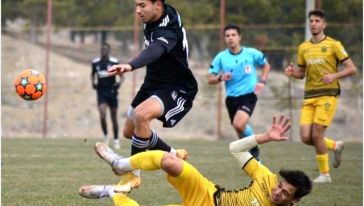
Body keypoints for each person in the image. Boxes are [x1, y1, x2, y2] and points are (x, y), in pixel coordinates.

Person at [79, 115, 313, 206]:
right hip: (208, 193)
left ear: (294, 201)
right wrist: (265, 137)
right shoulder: (267, 177)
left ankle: (113, 192)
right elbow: (236, 149)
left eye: (285, 193)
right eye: (280, 185)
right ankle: (121, 165)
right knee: (170, 162)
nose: (277, 191)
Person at [106, 0, 198, 189]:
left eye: (142, 5)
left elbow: (156, 49)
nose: (138, 10)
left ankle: (133, 175)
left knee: (142, 115)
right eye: (136, 5)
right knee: (129, 132)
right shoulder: (153, 17)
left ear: (158, 5)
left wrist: (130, 65)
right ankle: (173, 153)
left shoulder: (169, 26)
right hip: (153, 82)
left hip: (175, 85)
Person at [284, 9, 357, 183]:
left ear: (324, 24)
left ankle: (325, 174)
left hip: (328, 94)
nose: (313, 24)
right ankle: (335, 145)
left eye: (317, 21)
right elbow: (301, 73)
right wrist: (291, 72)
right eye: (311, 21)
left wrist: (334, 76)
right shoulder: (304, 47)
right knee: (305, 137)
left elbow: (352, 68)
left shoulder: (334, 45)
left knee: (317, 133)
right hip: (310, 96)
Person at [208, 23, 271, 161]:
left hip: (248, 95)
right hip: (231, 98)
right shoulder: (221, 57)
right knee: (239, 130)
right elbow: (210, 79)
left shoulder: (251, 53)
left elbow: (266, 65)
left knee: (238, 124)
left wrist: (262, 81)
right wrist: (220, 77)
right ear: (224, 38)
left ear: (239, 37)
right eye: (227, 36)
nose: (230, 38)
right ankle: (254, 160)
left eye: (233, 35)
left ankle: (254, 147)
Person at [91, 43, 124, 149]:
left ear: (109, 51)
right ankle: (106, 136)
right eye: (102, 49)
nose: (104, 51)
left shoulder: (114, 62)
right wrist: (93, 83)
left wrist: (119, 83)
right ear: (100, 51)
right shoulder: (95, 63)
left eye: (106, 49)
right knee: (102, 115)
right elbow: (92, 75)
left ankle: (116, 140)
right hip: (101, 92)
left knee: (114, 117)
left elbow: (122, 77)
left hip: (112, 92)